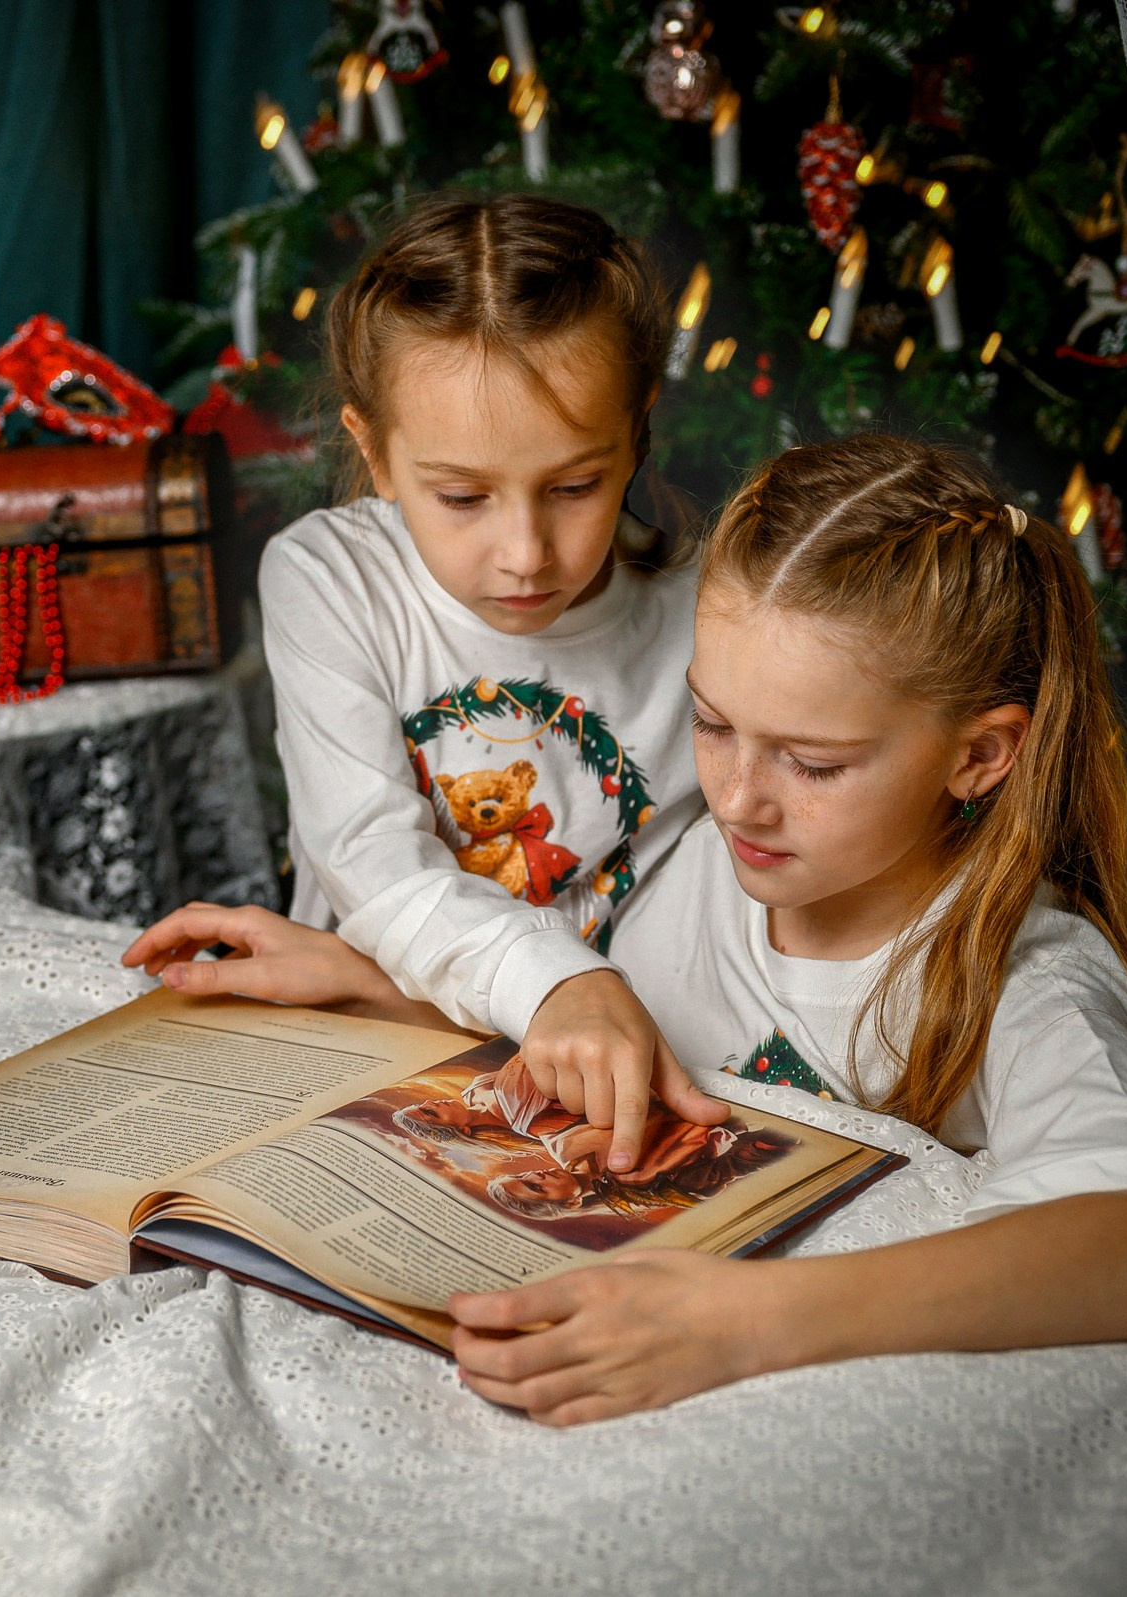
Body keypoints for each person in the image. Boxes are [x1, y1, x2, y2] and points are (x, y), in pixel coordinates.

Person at [123, 434, 1127, 1426]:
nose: (741, 798)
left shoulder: (1025, 973)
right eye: (714, 724)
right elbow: (637, 1027)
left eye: (814, 763)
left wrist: (737, 1322)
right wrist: (370, 986)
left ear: (979, 755)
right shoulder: (707, 867)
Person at [180, 191, 725, 1179]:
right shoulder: (329, 579)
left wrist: (376, 981)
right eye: (463, 496)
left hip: (602, 1071)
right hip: (364, 1063)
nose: (523, 554)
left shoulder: (711, 613)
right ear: (375, 451)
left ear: (637, 429)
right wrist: (556, 983)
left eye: (573, 487)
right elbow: (376, 871)